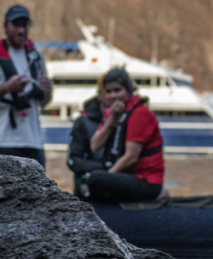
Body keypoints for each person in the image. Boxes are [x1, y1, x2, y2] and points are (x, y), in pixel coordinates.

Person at [0, 4, 53, 168]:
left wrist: (47, 92)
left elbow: (43, 103)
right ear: (5, 26)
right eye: (16, 25)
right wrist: (7, 88)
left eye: (25, 25)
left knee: (38, 193)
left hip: (34, 141)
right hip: (2, 141)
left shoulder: (37, 57)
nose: (21, 30)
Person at [79, 69, 167, 203]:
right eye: (109, 91)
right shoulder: (112, 113)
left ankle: (160, 195)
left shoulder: (140, 113)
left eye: (117, 90)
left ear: (129, 90)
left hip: (146, 180)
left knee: (96, 179)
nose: (113, 95)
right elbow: (94, 146)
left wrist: (107, 177)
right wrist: (112, 119)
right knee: (87, 178)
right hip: (126, 175)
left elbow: (131, 157)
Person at [67, 80, 112, 195]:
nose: (113, 96)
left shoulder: (127, 118)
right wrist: (105, 169)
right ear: (100, 94)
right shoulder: (84, 121)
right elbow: (73, 160)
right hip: (89, 190)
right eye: (108, 91)